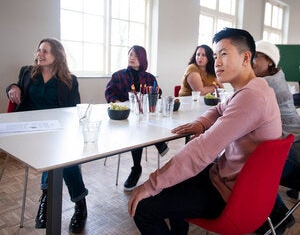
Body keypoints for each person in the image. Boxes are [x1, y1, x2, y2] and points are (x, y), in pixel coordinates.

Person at [128, 28, 282, 234]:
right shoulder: (255, 87)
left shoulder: (251, 97)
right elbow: (219, 109)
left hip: (230, 193)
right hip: (231, 180)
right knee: (173, 180)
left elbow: (202, 150)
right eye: (215, 55)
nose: (216, 62)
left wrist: (151, 184)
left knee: (143, 207)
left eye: (224, 54)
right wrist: (201, 123)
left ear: (246, 58)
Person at [6, 38, 88, 233]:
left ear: (57, 56)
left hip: (57, 132)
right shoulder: (27, 72)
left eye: (45, 51)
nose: (39, 55)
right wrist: (12, 88)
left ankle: (48, 197)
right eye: (39, 50)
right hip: (29, 133)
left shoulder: (69, 80)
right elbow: (15, 88)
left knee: (61, 156)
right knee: (60, 156)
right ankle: (79, 201)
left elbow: (73, 112)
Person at [105, 45, 169, 191]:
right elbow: (109, 93)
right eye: (130, 54)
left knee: (143, 123)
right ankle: (158, 145)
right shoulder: (118, 75)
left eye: (135, 55)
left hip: (145, 117)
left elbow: (156, 96)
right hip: (125, 118)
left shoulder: (150, 78)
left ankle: (137, 168)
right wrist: (119, 104)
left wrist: (156, 93)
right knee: (137, 126)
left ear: (142, 58)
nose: (131, 57)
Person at [253, 40, 300, 231]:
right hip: (292, 144)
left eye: (256, 56)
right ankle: (279, 215)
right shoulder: (277, 77)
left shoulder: (265, 84)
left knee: (249, 165)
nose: (251, 61)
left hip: (293, 152)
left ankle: (278, 216)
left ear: (270, 62)